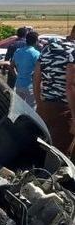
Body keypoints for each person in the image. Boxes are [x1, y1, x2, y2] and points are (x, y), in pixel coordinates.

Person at [37, 25, 75, 154]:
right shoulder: (73, 52)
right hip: (66, 108)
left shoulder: (48, 49)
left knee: (48, 147)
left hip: (46, 105)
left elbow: (36, 78)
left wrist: (39, 105)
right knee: (61, 153)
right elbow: (71, 86)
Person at [11, 31, 40, 108]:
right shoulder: (36, 53)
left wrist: (17, 76)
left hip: (19, 84)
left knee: (19, 108)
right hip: (30, 85)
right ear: (36, 41)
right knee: (32, 109)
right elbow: (39, 70)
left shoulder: (18, 51)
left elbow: (11, 66)